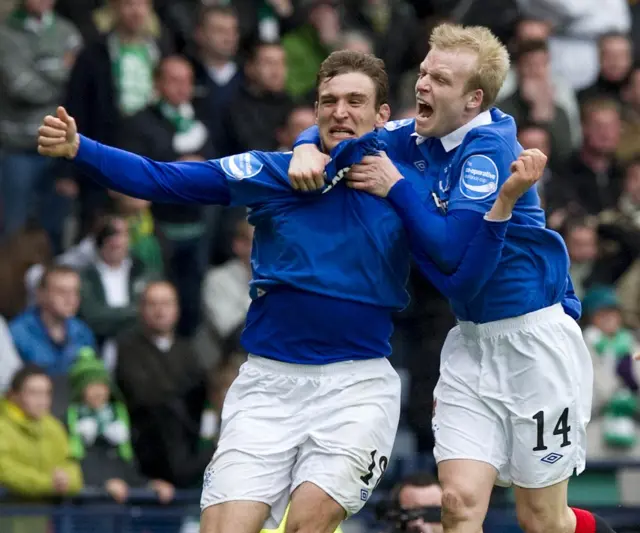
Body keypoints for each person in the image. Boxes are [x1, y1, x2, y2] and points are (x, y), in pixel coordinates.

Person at [37, 50, 544, 533]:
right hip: (266, 387)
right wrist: (82, 149)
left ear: (384, 115)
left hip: (356, 387)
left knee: (307, 523)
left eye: (355, 102)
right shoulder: (275, 171)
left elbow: (475, 149)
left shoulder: (408, 172)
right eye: (328, 102)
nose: (340, 112)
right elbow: (166, 179)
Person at [289, 23, 615, 533]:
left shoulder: (488, 151)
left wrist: (396, 187)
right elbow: (348, 132)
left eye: (440, 79)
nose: (422, 84)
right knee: (458, 504)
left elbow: (448, 252)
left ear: (472, 99)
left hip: (536, 347)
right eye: (423, 71)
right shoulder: (416, 135)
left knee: (543, 520)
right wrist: (306, 145)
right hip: (469, 342)